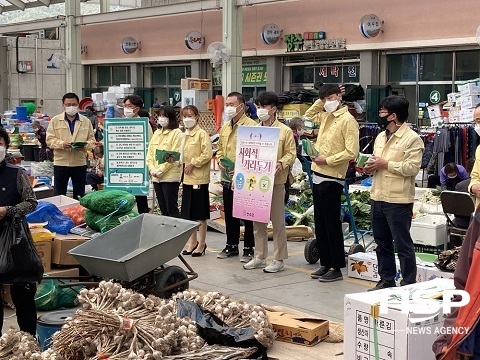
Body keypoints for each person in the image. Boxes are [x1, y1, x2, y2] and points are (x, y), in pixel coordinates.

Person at [364, 95, 424, 291]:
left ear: (393, 116)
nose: (379, 114)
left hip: (398, 200)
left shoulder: (412, 139)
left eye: (382, 111)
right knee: (382, 244)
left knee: (403, 245)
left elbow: (412, 168)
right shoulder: (381, 136)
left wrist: (386, 164)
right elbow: (376, 161)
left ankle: (407, 283)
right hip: (377, 196)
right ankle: (386, 279)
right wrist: (369, 166)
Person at [304, 84, 359, 282]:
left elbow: (351, 152)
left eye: (331, 98)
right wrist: (321, 101)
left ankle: (336, 266)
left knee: (332, 223)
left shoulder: (348, 120)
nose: (328, 102)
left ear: (339, 96)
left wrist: (326, 160)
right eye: (324, 99)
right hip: (317, 173)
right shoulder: (326, 116)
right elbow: (308, 117)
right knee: (320, 223)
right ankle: (325, 263)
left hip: (333, 176)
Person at [243, 91, 296, 273]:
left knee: (277, 221)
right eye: (258, 107)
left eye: (264, 107)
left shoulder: (284, 130)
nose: (261, 110)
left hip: (276, 181)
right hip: (256, 181)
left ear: (273, 109)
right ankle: (259, 255)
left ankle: (279, 259)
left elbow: (291, 153)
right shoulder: (254, 130)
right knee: (258, 221)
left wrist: (282, 163)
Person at [0, 127, 38, 336]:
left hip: (15, 239)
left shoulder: (16, 173)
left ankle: (29, 342)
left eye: (0, 143)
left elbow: (31, 202)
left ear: (6, 146)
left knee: (23, 291)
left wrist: (9, 210)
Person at [216, 92, 257, 263]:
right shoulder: (225, 126)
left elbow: (255, 153)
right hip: (226, 176)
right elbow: (219, 148)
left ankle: (249, 247)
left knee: (247, 214)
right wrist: (220, 161)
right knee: (230, 212)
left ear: (242, 106)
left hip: (244, 178)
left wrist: (241, 169)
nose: (228, 107)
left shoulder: (252, 126)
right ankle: (231, 245)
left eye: (232, 104)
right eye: (227, 104)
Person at [46, 93, 95, 200]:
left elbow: (92, 141)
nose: (71, 107)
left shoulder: (85, 121)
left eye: (74, 104)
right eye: (68, 104)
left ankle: (78, 215)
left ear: (78, 105)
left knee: (79, 195)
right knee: (59, 194)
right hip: (61, 162)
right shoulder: (55, 120)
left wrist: (84, 146)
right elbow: (49, 140)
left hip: (79, 162)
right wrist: (62, 144)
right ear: (63, 105)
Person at [180, 105, 213, 256]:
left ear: (197, 117)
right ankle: (192, 242)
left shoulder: (201, 134)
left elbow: (207, 154)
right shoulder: (183, 134)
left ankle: (202, 243)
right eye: (184, 116)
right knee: (188, 213)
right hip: (186, 179)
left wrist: (193, 163)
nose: (187, 119)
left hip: (199, 178)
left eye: (190, 115)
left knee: (200, 213)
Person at [146, 105, 182, 218]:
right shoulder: (157, 133)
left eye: (164, 116)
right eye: (160, 115)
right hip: (156, 176)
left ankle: (176, 233)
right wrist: (152, 169)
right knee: (163, 209)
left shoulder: (177, 133)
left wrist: (162, 170)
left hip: (170, 176)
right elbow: (150, 154)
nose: (161, 118)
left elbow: (175, 154)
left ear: (171, 118)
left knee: (171, 208)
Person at [123, 95, 154, 214]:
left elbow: (151, 145)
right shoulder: (119, 123)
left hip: (139, 165)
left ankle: (143, 218)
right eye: (125, 106)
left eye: (129, 106)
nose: (126, 109)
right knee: (124, 195)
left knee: (140, 196)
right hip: (123, 165)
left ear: (137, 108)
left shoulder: (144, 124)